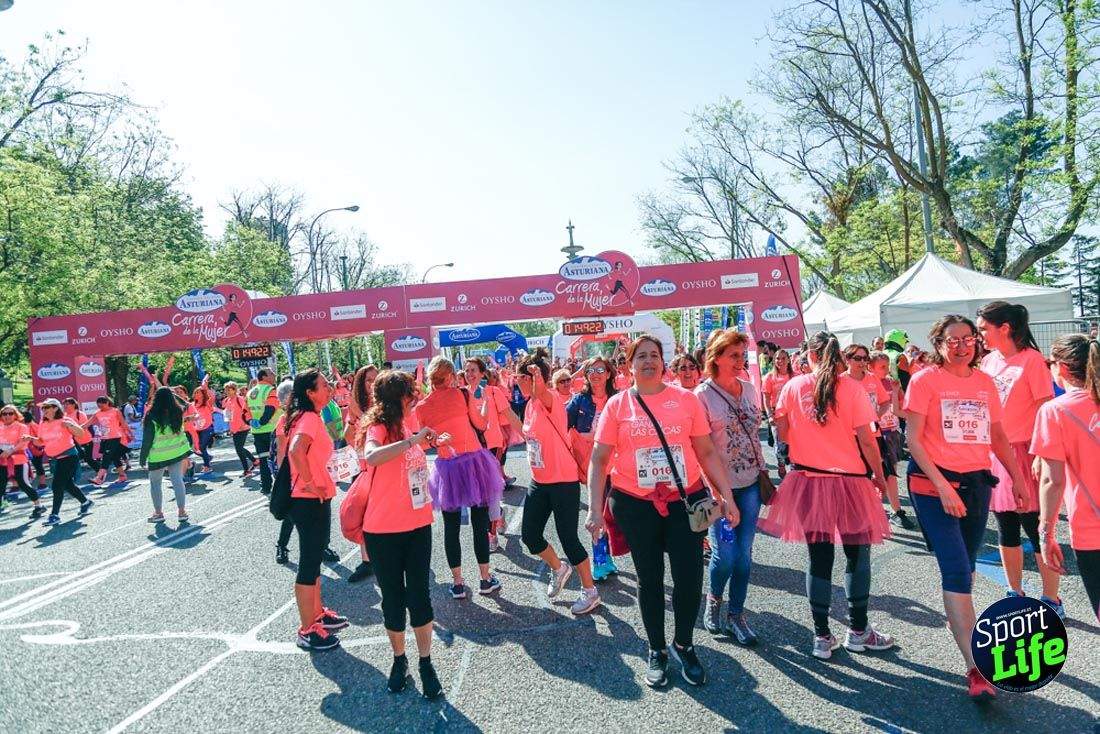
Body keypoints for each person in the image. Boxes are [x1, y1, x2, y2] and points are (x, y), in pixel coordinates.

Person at [586, 335, 737, 688]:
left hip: (685, 501)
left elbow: (706, 452)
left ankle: (684, 643)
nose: (649, 361)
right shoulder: (617, 406)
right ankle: (656, 649)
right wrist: (594, 509)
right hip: (636, 504)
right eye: (641, 356)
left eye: (655, 355)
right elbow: (599, 459)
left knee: (688, 577)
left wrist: (724, 494)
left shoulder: (685, 401)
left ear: (663, 362)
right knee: (649, 578)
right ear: (629, 365)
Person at [905, 314, 1028, 700]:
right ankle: (976, 668)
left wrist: (1019, 478)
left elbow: (997, 435)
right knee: (957, 569)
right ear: (939, 343)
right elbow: (913, 440)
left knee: (968, 567)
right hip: (933, 485)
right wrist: (942, 487)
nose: (962, 345)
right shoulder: (926, 380)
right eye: (953, 340)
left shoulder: (984, 382)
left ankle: (959, 617)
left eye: (968, 339)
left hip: (977, 484)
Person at [759, 332, 895, 661]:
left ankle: (822, 636)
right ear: (838, 357)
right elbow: (867, 440)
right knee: (856, 556)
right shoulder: (852, 388)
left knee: (818, 560)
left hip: (807, 480)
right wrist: (878, 476)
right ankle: (859, 632)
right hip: (850, 481)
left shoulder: (792, 387)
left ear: (811, 356)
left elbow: (784, 431)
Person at [358, 370, 445, 696]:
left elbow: (421, 454)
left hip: (418, 525)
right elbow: (371, 456)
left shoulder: (408, 424)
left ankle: (425, 662)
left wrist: (436, 442)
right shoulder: (378, 428)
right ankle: (399, 660)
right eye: (411, 394)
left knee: (420, 596)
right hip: (383, 530)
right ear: (398, 398)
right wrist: (410, 442)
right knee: (393, 599)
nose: (416, 399)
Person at [977, 301, 1063, 615]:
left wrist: (1042, 452)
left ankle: (1052, 599)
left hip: (1028, 453)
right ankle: (1014, 592)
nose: (980, 334)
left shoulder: (1032, 361)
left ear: (1005, 328)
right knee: (1005, 527)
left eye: (984, 328)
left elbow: (1046, 410)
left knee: (1036, 526)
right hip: (997, 453)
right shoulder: (987, 362)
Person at [508, 349, 601, 615]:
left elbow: (543, 393)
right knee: (530, 536)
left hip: (563, 481)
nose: (517, 382)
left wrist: (538, 376)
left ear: (534, 378)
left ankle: (590, 591)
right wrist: (502, 410)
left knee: (569, 538)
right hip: (540, 481)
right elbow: (527, 434)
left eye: (521, 377)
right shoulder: (528, 406)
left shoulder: (550, 402)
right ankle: (559, 568)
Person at [695, 330, 767, 646]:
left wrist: (766, 471)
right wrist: (716, 491)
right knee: (724, 555)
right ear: (716, 357)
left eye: (742, 355)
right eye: (733, 356)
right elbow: (699, 449)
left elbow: (756, 434)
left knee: (744, 556)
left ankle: (737, 615)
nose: (740, 362)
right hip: (719, 489)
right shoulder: (702, 396)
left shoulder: (750, 390)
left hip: (750, 484)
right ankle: (714, 601)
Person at [415, 356, 505, 599]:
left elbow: (424, 443)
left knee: (451, 528)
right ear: (450, 376)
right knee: (479, 524)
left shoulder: (421, 408)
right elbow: (482, 424)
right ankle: (485, 579)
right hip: (475, 463)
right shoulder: (462, 394)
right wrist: (484, 401)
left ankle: (457, 584)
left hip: (447, 467)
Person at [1034, 334, 1100, 622]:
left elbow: (1053, 481)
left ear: (1060, 367)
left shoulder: (1055, 411)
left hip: (1092, 529)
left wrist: (1045, 533)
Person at [281, 369, 348, 651]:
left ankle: (318, 614)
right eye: (323, 385)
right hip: (308, 500)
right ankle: (308, 629)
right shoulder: (308, 418)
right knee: (309, 563)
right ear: (309, 392)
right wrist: (310, 484)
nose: (330, 388)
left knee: (315, 559)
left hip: (313, 499)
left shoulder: (308, 416)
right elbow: (295, 451)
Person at [844, 344, 914, 530]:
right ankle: (862, 514)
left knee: (884, 473)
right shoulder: (840, 381)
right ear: (847, 360)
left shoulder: (873, 379)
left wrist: (874, 416)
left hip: (875, 435)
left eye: (864, 358)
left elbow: (884, 403)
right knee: (858, 479)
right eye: (857, 358)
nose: (861, 362)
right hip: (850, 438)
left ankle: (890, 512)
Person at [566, 356, 619, 581]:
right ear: (586, 375)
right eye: (590, 370)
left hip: (619, 466)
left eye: (600, 369)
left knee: (614, 514)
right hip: (594, 467)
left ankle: (608, 556)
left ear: (608, 374)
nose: (596, 374)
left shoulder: (618, 399)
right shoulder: (579, 401)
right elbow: (561, 424)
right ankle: (599, 560)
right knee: (597, 511)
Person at [462, 358, 514, 551]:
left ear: (483, 373)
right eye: (466, 370)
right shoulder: (461, 394)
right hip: (472, 450)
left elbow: (510, 416)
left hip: (493, 446)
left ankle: (491, 534)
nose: (470, 374)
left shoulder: (493, 392)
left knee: (490, 492)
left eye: (474, 370)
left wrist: (527, 434)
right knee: (479, 494)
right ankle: (498, 515)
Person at [869, 351, 914, 528]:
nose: (886, 369)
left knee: (891, 474)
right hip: (874, 434)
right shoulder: (866, 383)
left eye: (887, 366)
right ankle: (881, 509)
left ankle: (896, 511)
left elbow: (900, 409)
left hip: (892, 432)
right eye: (882, 367)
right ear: (870, 367)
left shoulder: (891, 382)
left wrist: (896, 391)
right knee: (877, 474)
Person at [30, 399, 92, 525]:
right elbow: (41, 441)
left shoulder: (65, 420)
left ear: (55, 408)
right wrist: (30, 439)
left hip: (69, 457)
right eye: (43, 408)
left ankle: (54, 515)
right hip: (55, 460)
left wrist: (70, 426)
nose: (44, 410)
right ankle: (85, 502)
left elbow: (81, 433)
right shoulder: (43, 423)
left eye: (46, 407)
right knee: (68, 485)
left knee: (57, 485)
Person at [139, 386, 193, 523]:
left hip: (158, 455)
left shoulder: (151, 415)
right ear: (172, 398)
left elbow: (147, 440)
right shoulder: (177, 411)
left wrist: (142, 457)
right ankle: (182, 512)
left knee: (155, 483)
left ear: (156, 398)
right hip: (177, 452)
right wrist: (174, 395)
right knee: (177, 481)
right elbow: (187, 404)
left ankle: (158, 513)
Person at [345, 365, 378, 583]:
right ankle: (367, 561)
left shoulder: (384, 402)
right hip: (363, 467)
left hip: (383, 466)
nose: (373, 384)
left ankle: (387, 554)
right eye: (368, 380)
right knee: (363, 515)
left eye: (376, 379)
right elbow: (347, 435)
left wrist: (363, 416)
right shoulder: (355, 405)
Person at [0, 404, 44, 517]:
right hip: (3, 461)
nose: (7, 416)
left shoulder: (21, 427)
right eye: (4, 414)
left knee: (23, 483)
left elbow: (23, 442)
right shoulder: (1, 427)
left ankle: (38, 505)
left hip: (18, 460)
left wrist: (11, 451)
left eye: (10, 413)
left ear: (15, 415)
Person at [247, 369, 282, 495]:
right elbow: (271, 409)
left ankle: (266, 486)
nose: (274, 375)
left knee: (263, 459)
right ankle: (281, 486)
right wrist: (262, 421)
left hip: (257, 432)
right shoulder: (271, 390)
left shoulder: (250, 392)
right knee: (279, 459)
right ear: (264, 377)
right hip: (272, 430)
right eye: (272, 374)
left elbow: (245, 412)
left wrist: (251, 421)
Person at [762, 349, 795, 479]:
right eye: (777, 358)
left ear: (788, 359)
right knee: (780, 443)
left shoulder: (795, 376)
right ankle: (781, 464)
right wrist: (769, 415)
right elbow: (766, 398)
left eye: (783, 358)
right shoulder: (770, 377)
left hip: (793, 414)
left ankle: (794, 467)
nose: (780, 361)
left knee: (794, 442)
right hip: (777, 414)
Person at [88, 396, 130, 485]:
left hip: (115, 438)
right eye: (98, 406)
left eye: (102, 405)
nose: (100, 407)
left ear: (107, 402)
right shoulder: (97, 413)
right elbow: (87, 423)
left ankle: (99, 478)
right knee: (114, 457)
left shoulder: (115, 411)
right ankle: (122, 476)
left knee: (106, 458)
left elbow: (123, 423)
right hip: (105, 439)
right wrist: (74, 428)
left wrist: (130, 434)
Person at [222, 382, 258, 476]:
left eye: (230, 389)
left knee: (239, 448)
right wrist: (230, 428)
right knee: (239, 449)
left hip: (243, 427)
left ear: (235, 389)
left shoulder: (239, 399)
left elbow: (246, 411)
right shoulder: (227, 401)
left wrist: (245, 422)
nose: (228, 392)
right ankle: (254, 462)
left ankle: (247, 469)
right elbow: (228, 416)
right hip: (234, 428)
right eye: (226, 390)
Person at [61, 398, 99, 477]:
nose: (65, 406)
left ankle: (100, 472)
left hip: (86, 440)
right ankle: (71, 477)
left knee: (89, 459)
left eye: (67, 404)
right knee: (73, 459)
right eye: (64, 404)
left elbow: (83, 427)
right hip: (73, 443)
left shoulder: (80, 414)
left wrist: (72, 430)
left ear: (73, 404)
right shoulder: (64, 416)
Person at [189, 378, 217, 474]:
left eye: (199, 392)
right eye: (195, 392)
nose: (197, 394)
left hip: (207, 428)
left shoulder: (207, 404)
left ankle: (207, 466)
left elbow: (212, 396)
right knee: (195, 449)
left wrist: (206, 387)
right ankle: (208, 458)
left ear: (202, 394)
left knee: (201, 447)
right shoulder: (192, 405)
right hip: (196, 430)